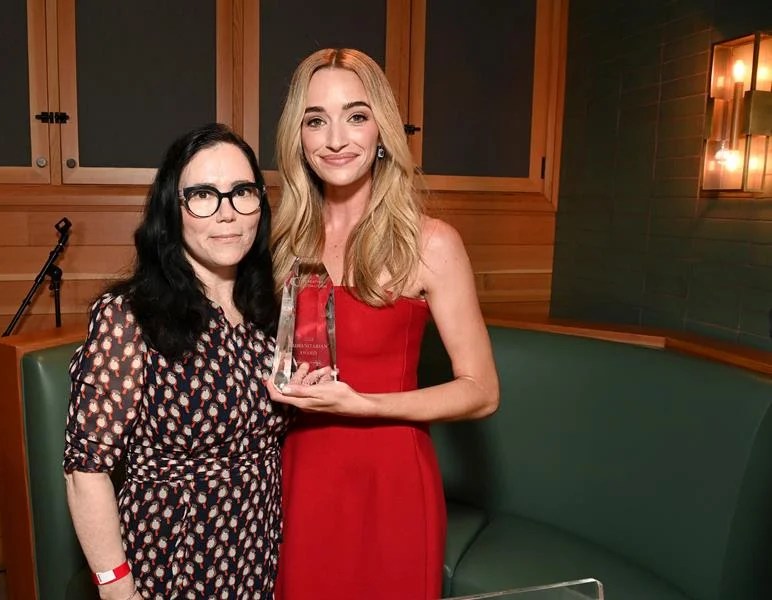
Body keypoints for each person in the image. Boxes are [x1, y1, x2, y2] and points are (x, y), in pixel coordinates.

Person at [267, 48, 501, 599]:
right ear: (297, 138)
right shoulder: (277, 243)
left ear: (382, 131)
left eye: (356, 115)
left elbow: (482, 391)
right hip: (296, 476)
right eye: (316, 120)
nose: (335, 139)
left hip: (391, 476)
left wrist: (365, 404)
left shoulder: (431, 243)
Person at [64, 123, 306, 600]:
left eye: (242, 192)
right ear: (171, 211)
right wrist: (118, 591)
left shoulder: (270, 311)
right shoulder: (128, 315)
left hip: (259, 556)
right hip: (171, 562)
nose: (228, 214)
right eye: (202, 195)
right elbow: (85, 469)